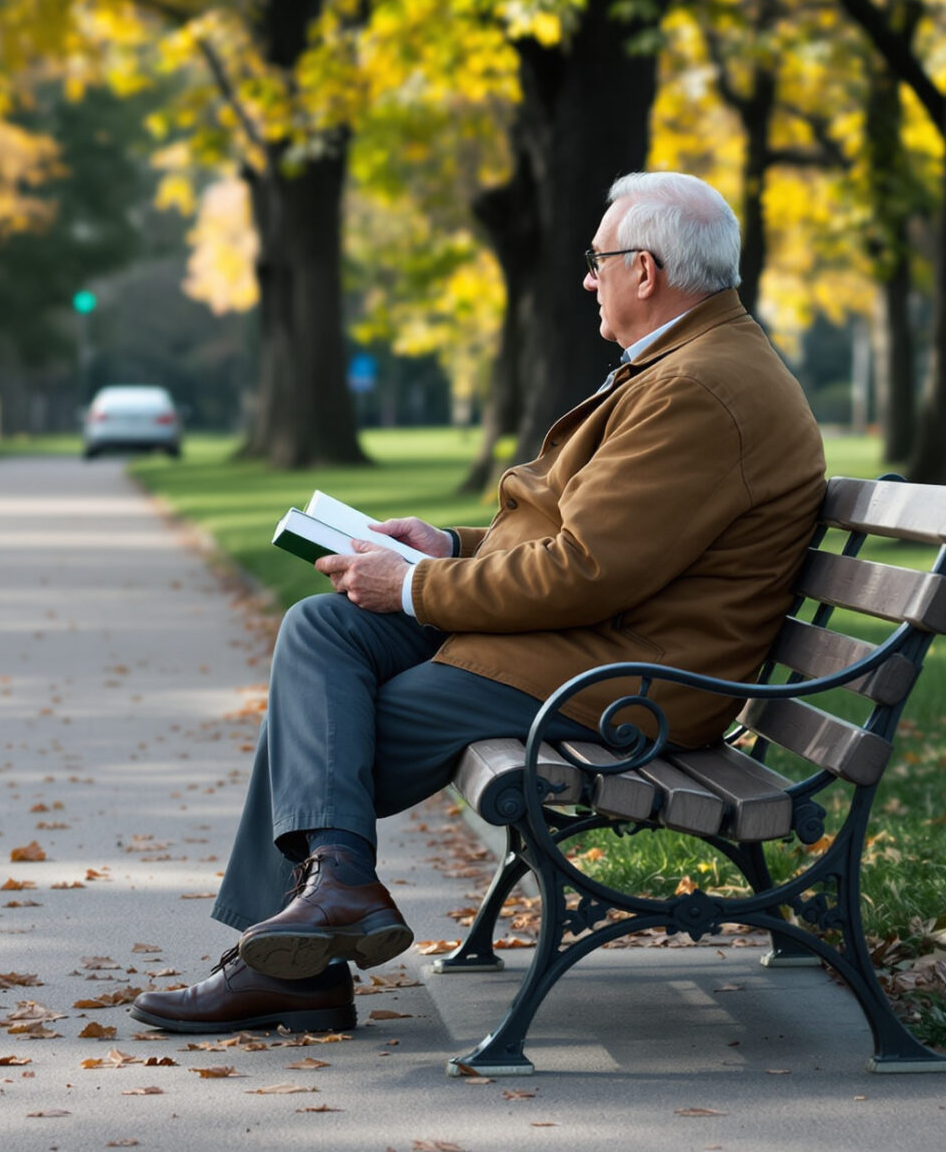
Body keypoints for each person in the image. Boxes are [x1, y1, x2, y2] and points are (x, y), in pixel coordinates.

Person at [131, 171, 827, 1035]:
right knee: (322, 628)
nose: (587, 278)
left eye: (598, 260)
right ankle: (331, 895)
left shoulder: (699, 387)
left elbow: (586, 567)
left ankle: (298, 954)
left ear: (644, 271)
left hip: (625, 679)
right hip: (587, 643)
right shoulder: (691, 362)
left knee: (326, 734)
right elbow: (591, 535)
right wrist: (449, 546)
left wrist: (414, 586)